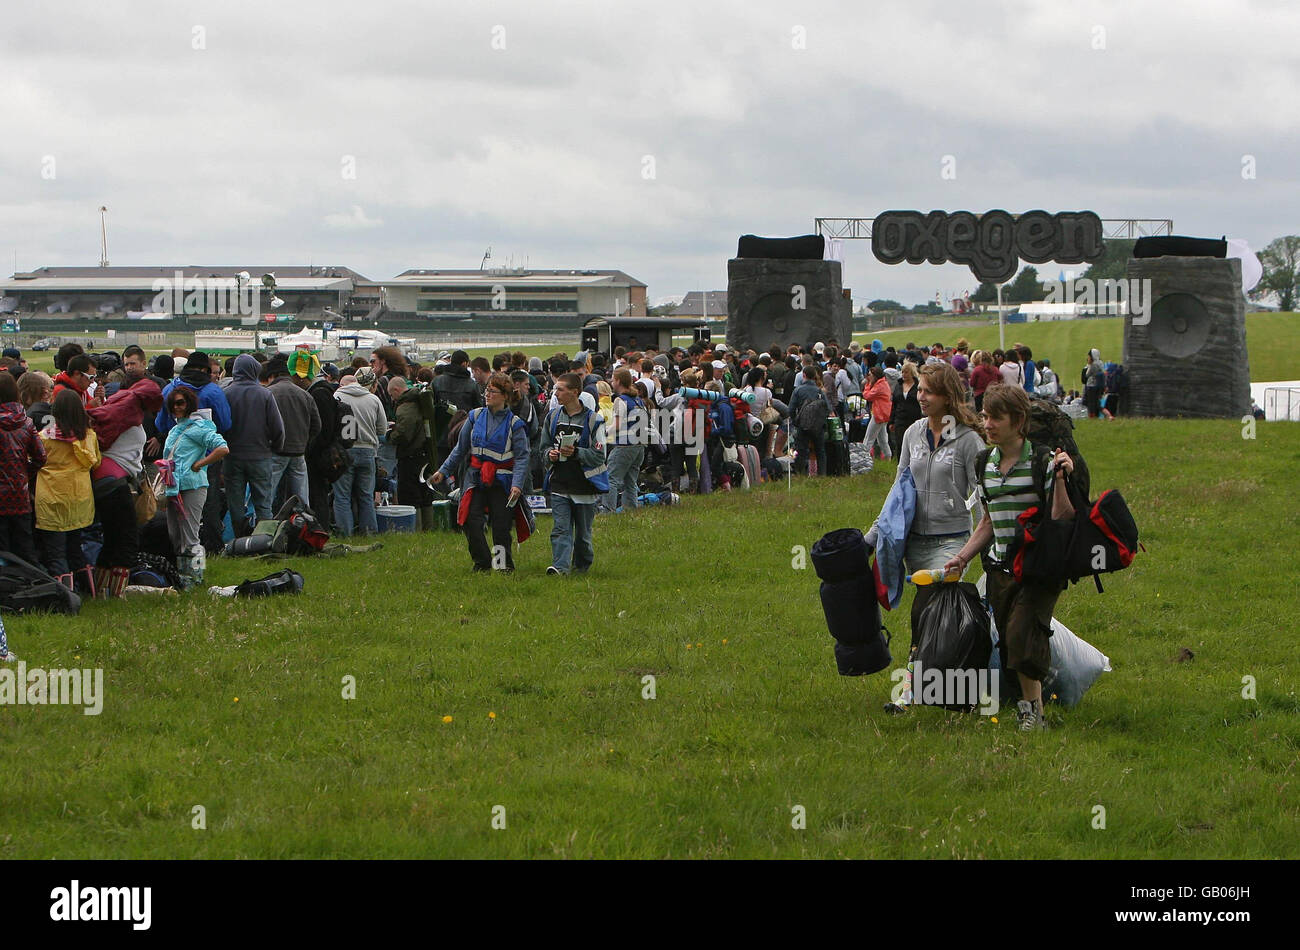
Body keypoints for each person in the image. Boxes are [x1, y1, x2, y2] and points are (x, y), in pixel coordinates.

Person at [943, 383, 1076, 732]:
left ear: (1018, 422)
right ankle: (1030, 706)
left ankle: (1033, 714)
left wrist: (1061, 480)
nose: (987, 424)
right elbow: (988, 521)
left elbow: (1062, 517)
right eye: (985, 416)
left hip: (1038, 568)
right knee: (1008, 640)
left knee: (1021, 634)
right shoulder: (983, 462)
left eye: (996, 418)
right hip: (1000, 568)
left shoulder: (1042, 462)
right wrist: (962, 557)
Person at [867, 362, 986, 715]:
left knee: (929, 611)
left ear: (948, 396)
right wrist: (872, 537)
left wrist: (979, 550)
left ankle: (912, 692)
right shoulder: (913, 433)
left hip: (951, 542)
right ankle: (950, 686)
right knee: (930, 618)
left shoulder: (968, 440)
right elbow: (898, 488)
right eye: (919, 389)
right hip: (913, 542)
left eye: (928, 391)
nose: (920, 397)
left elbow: (982, 499)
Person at [431, 373, 531, 571]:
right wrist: (442, 471)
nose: (487, 394)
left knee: (501, 529)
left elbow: (522, 457)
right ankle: (482, 562)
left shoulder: (515, 424)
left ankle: (503, 566)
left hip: (502, 483)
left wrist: (517, 485)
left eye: (492, 391)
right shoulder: (474, 417)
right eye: (487, 390)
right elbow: (460, 449)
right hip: (475, 478)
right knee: (470, 520)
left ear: (505, 396)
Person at [87, 376, 162, 597]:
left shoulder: (119, 404)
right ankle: (117, 594)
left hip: (104, 479)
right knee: (127, 539)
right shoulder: (128, 412)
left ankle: (101, 591)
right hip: (115, 482)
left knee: (111, 538)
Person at [161, 386, 229, 589]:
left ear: (189, 404)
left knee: (190, 536)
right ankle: (183, 575)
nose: (177, 407)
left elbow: (223, 448)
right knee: (175, 534)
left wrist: (200, 464)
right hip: (174, 487)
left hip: (193, 486)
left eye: (181, 403)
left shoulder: (200, 428)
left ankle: (196, 577)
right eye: (173, 404)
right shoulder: (175, 429)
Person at [35, 389, 101, 593]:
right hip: (80, 499)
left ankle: (66, 597)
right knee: (75, 548)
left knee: (56, 553)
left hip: (52, 500)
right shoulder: (89, 436)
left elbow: (33, 463)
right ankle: (89, 590)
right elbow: (96, 463)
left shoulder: (44, 437)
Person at [541, 372, 608, 575]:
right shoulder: (552, 417)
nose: (556, 393)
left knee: (582, 535)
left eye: (560, 389)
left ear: (574, 392)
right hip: (560, 484)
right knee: (560, 529)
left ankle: (582, 566)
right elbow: (542, 448)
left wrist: (577, 453)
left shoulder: (594, 420)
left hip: (585, 487)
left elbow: (600, 455)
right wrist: (549, 455)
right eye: (555, 389)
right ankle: (560, 567)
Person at [222, 354, 285, 536]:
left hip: (232, 456)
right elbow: (277, 427)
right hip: (260, 456)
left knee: (235, 502)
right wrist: (276, 447)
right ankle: (264, 538)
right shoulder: (265, 394)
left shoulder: (226, 393)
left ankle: (240, 540)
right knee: (263, 502)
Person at [332, 369, 388, 536]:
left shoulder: (336, 397)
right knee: (366, 496)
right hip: (368, 450)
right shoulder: (373, 399)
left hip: (343, 451)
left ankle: (345, 533)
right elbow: (382, 429)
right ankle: (369, 532)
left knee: (342, 497)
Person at [0, 371, 46, 566]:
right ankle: (32, 584)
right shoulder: (26, 422)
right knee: (25, 546)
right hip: (20, 492)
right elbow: (41, 456)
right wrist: (25, 473)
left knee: (3, 548)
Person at [264, 355, 321, 506]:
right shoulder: (305, 394)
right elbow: (317, 425)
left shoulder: (268, 393)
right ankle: (304, 525)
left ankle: (265, 526)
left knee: (267, 497)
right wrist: (305, 442)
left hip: (275, 452)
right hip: (298, 452)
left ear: (272, 376)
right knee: (302, 498)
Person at [389, 375, 437, 529]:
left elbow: (404, 434)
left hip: (410, 456)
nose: (392, 398)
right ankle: (428, 527)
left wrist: (390, 435)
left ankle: (415, 529)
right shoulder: (420, 400)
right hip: (424, 453)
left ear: (396, 390)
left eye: (391, 394)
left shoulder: (406, 406)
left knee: (410, 494)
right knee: (425, 492)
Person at [602, 368, 648, 513]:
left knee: (611, 478)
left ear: (619, 381)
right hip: (640, 445)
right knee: (630, 481)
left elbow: (617, 424)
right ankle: (631, 510)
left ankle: (607, 510)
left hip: (625, 445)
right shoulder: (638, 399)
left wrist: (603, 433)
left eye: (613, 379)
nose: (611, 382)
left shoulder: (620, 400)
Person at [788, 365, 828, 476]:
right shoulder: (819, 391)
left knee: (801, 451)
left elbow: (790, 409)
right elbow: (828, 408)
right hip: (818, 426)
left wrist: (796, 421)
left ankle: (801, 473)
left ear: (804, 375)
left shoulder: (798, 390)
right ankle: (822, 474)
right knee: (820, 451)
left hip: (803, 425)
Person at [889, 360, 922, 461]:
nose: (904, 374)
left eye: (906, 372)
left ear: (912, 373)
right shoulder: (898, 386)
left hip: (914, 419)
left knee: (913, 444)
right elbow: (894, 404)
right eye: (902, 372)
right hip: (900, 419)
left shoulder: (918, 387)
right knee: (900, 444)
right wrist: (891, 421)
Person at [861, 365, 893, 467]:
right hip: (884, 414)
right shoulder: (883, 383)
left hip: (879, 415)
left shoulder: (879, 386)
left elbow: (868, 396)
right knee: (882, 439)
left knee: (868, 438)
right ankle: (888, 458)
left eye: (870, 375)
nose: (868, 377)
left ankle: (863, 460)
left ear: (874, 376)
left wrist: (867, 385)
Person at [1083, 348, 1105, 418]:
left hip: (1091, 386)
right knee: (1097, 402)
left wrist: (1088, 365)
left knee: (1091, 403)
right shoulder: (1101, 363)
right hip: (1099, 385)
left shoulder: (1093, 365)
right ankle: (1104, 415)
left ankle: (1092, 417)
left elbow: (1087, 374)